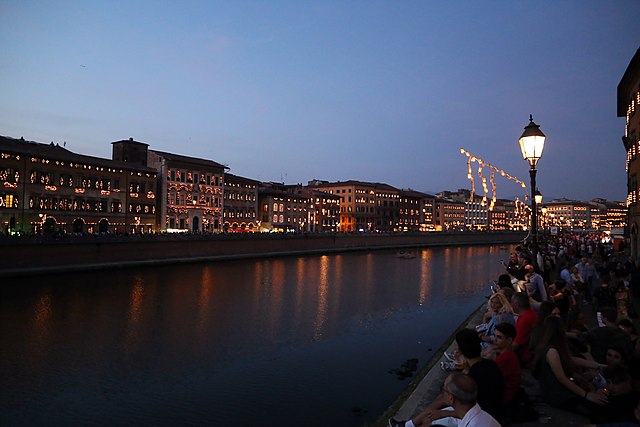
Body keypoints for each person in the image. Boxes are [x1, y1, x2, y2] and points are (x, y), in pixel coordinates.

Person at [394, 329, 505, 426]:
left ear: (461, 351)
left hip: (481, 414)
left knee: (430, 419)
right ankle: (409, 424)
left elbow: (467, 410)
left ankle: (410, 424)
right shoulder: (490, 365)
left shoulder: (472, 379)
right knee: (438, 406)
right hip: (491, 412)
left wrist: (444, 413)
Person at [532, 316, 609, 419]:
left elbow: (571, 359)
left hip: (562, 392)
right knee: (596, 410)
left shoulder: (553, 347)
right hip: (559, 396)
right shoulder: (551, 351)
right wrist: (586, 395)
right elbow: (561, 378)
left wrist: (597, 365)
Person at [388, 373, 500, 427]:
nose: (442, 393)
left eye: (444, 390)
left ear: (451, 398)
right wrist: (443, 413)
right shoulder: (479, 415)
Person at [511, 292, 538, 367]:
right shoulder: (530, 314)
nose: (511, 305)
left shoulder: (525, 320)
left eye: (512, 303)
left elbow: (515, 346)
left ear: (517, 305)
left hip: (525, 359)